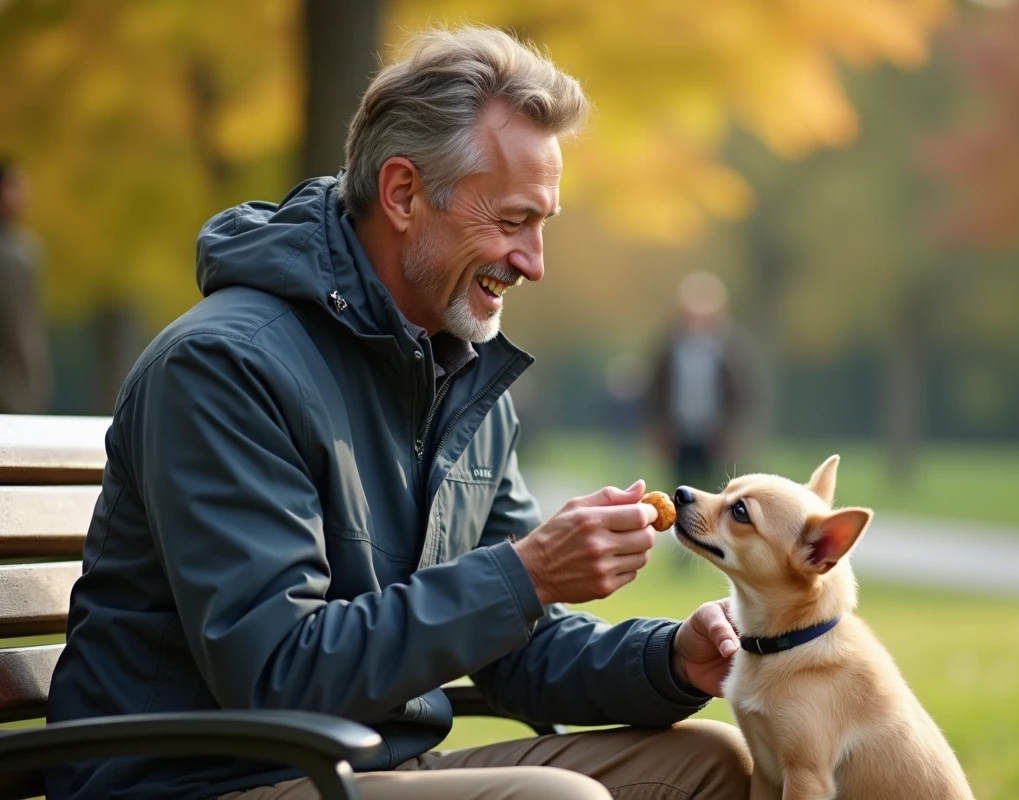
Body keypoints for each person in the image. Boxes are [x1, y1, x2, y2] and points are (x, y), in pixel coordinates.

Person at [46, 27, 751, 800]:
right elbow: (279, 672)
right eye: (513, 222)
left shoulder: (462, 373)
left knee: (717, 764)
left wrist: (670, 659)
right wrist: (529, 571)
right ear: (404, 194)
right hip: (204, 782)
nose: (534, 262)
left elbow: (517, 645)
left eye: (542, 224)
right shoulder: (225, 368)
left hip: (372, 772)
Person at [645, 271, 760, 494]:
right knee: (680, 488)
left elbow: (745, 392)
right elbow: (655, 390)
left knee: (717, 492)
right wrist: (657, 427)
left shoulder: (732, 347)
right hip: (678, 431)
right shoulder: (669, 346)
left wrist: (732, 428)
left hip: (715, 434)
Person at [0, 158, 52, 414]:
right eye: (15, 187)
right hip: (11, 393)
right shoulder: (16, 256)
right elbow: (20, 332)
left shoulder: (23, 250)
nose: (23, 196)